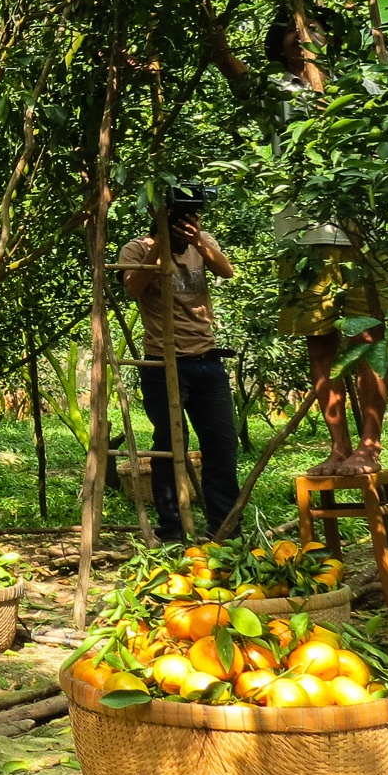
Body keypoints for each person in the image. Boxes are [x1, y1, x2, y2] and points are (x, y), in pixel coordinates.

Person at [267, 20, 388, 476]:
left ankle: (369, 446)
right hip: (303, 236)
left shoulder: (362, 84)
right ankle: (338, 447)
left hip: (362, 232)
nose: (306, 43)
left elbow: (387, 130)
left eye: (314, 33)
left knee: (367, 337)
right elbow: (233, 72)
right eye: (295, 38)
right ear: (283, 50)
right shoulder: (274, 92)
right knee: (320, 343)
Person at [119, 191, 239, 539]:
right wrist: (159, 245)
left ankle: (226, 529)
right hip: (162, 362)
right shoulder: (136, 249)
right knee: (169, 445)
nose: (184, 225)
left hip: (207, 359)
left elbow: (226, 271)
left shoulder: (203, 242)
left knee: (222, 446)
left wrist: (198, 241)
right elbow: (133, 288)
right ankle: (172, 530)